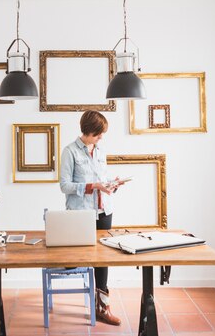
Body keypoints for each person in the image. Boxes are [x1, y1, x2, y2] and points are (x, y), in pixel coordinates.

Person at [59, 110, 125, 326]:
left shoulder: (100, 150)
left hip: (104, 210)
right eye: (98, 134)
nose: (101, 138)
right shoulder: (69, 151)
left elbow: (101, 179)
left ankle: (102, 307)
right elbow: (64, 186)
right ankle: (91, 299)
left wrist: (110, 185)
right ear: (87, 132)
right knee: (80, 258)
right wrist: (92, 186)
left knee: (103, 260)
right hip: (81, 214)